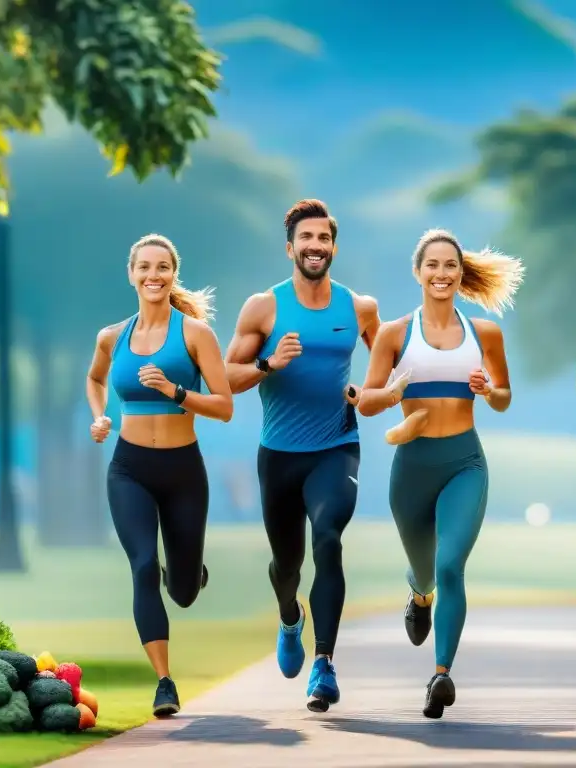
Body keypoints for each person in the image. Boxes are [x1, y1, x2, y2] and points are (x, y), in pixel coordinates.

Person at [358, 228, 523, 719]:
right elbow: (366, 402)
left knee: (451, 565)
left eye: (450, 265)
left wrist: (488, 389)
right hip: (411, 466)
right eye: (432, 265)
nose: (441, 274)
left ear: (460, 272)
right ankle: (418, 591)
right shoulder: (394, 334)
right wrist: (390, 396)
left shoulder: (484, 334)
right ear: (418, 272)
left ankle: (441, 675)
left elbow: (504, 397)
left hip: (464, 463)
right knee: (427, 568)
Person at [223, 199, 381, 712]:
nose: (316, 247)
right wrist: (269, 362)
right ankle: (290, 616)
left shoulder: (358, 308)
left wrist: (372, 391)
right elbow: (225, 378)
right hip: (280, 456)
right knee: (286, 565)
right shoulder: (263, 308)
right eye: (306, 239)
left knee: (329, 538)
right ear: (290, 247)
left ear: (333, 247)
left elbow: (391, 357)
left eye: (324, 239)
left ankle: (325, 664)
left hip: (337, 446)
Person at [85, 233, 233, 718]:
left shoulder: (194, 335)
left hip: (183, 470)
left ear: (174, 274)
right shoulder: (112, 336)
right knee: (144, 565)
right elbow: (95, 379)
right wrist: (100, 415)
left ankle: (189, 573)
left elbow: (225, 406)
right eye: (144, 267)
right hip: (129, 469)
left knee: (184, 591)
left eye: (163, 267)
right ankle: (164, 682)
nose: (153, 275)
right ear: (131, 274)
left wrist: (174, 391)